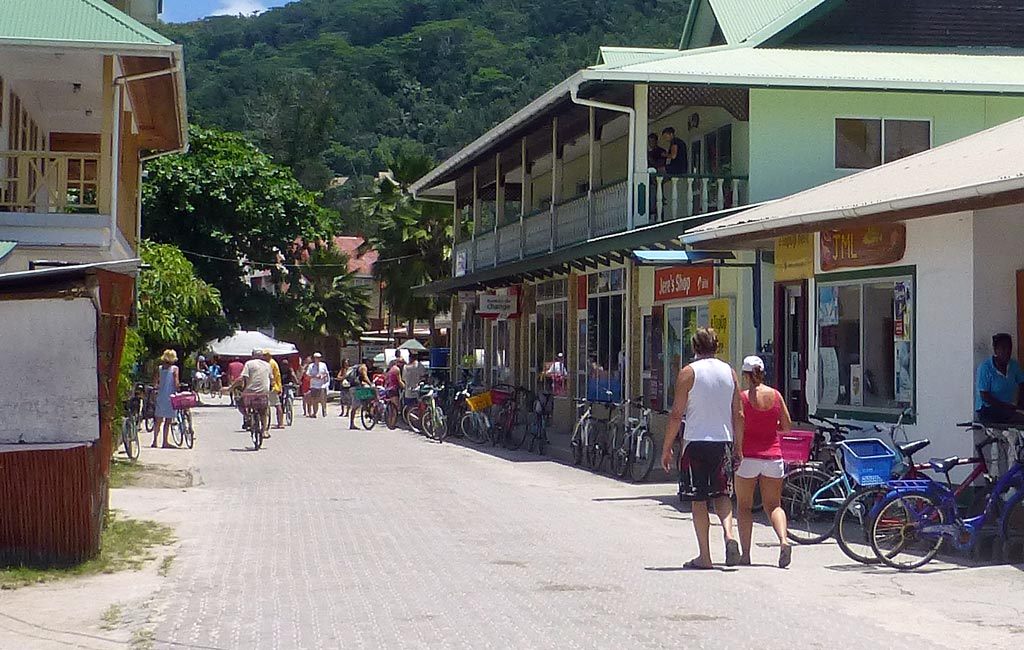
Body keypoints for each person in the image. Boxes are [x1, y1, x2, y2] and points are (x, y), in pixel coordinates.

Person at [661, 327, 744, 570]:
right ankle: (729, 535)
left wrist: (667, 447)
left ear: (694, 347)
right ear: (717, 347)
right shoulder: (730, 373)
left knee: (698, 501)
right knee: (722, 494)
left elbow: (677, 414)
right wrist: (739, 447)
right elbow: (738, 414)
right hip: (723, 441)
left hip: (696, 442)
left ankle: (705, 557)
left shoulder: (689, 373)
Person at [735, 355, 793, 569]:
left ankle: (746, 554)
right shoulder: (776, 396)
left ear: (745, 375)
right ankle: (784, 541)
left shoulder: (742, 398)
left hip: (748, 457)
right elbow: (787, 426)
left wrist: (737, 450)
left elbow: (739, 427)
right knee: (774, 505)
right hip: (773, 456)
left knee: (744, 506)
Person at [976, 333, 1024, 425]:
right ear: (996, 350)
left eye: (1009, 348)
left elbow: (1022, 384)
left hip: (1008, 409)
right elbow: (985, 396)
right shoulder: (985, 368)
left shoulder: (1014, 365)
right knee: (1020, 419)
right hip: (987, 410)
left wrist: (1021, 404)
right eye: (1003, 348)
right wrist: (1007, 407)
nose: (1007, 351)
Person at [226, 349, 273, 434]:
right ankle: (265, 431)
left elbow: (241, 379)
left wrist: (230, 388)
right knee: (264, 411)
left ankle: (247, 417)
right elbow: (272, 379)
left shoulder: (248, 364)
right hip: (263, 392)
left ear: (252, 356)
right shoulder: (267, 365)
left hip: (249, 393)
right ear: (262, 356)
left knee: (240, 403)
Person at [152, 349, 179, 448]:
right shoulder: (175, 369)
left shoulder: (159, 368)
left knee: (158, 420)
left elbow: (155, 382)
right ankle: (165, 442)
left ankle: (155, 441)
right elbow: (176, 383)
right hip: (170, 397)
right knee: (168, 421)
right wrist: (178, 389)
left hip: (160, 396)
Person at [349, 357, 374, 430]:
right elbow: (365, 377)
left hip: (356, 387)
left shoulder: (360, 367)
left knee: (365, 398)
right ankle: (352, 424)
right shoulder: (364, 367)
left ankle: (366, 408)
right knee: (355, 406)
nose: (372, 365)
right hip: (356, 388)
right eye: (371, 362)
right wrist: (371, 384)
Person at [263, 350, 284, 430]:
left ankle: (280, 423)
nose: (263, 357)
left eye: (265, 355)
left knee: (277, 405)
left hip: (273, 386)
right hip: (274, 386)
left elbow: (269, 375)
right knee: (276, 404)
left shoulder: (270, 363)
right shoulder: (271, 362)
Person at [306, 353, 330, 418]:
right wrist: (315, 376)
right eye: (316, 357)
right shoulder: (311, 366)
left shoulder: (323, 365)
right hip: (314, 385)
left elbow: (326, 374)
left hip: (322, 385)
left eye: (319, 357)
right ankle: (315, 412)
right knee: (314, 399)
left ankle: (324, 411)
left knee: (323, 399)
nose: (318, 359)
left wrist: (323, 376)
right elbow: (307, 376)